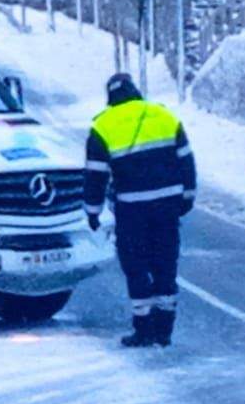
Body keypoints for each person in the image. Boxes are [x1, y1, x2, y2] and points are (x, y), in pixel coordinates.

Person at [83, 73, 197, 347]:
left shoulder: (102, 125)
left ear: (110, 99)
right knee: (165, 263)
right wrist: (187, 197)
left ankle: (144, 328)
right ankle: (165, 328)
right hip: (167, 206)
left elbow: (96, 175)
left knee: (135, 266)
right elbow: (186, 161)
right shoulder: (164, 116)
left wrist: (93, 211)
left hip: (132, 209)